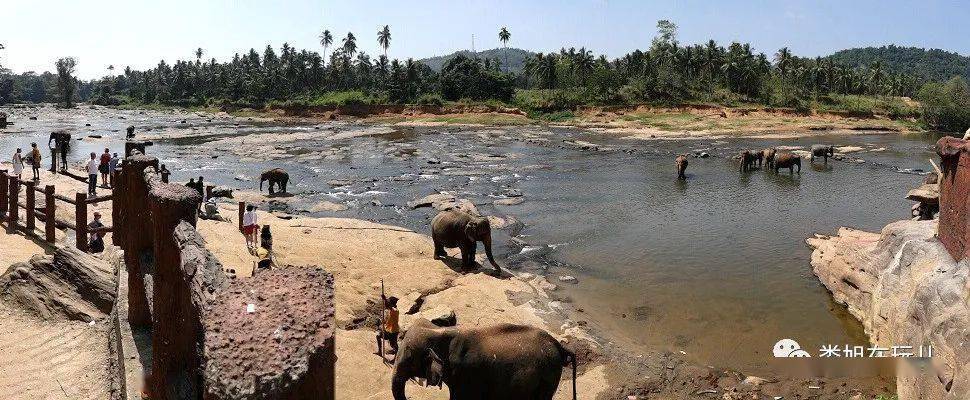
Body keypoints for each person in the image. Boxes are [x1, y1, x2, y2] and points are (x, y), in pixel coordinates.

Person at [375, 294, 400, 359]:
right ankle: (380, 351)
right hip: (388, 330)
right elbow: (387, 305)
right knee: (378, 336)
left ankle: (396, 357)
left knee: (393, 345)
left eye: (389, 302)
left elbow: (389, 306)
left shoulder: (395, 311)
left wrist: (385, 299)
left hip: (393, 331)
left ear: (392, 304)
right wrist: (385, 300)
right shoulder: (390, 310)